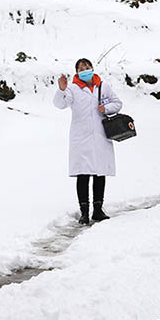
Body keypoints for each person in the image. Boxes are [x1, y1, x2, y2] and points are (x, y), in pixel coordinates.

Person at [53, 58, 123, 225]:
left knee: (100, 173)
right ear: (76, 71)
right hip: (81, 137)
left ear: (92, 68)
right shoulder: (72, 88)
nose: (85, 69)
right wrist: (61, 89)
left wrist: (106, 108)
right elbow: (60, 104)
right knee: (83, 174)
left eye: (87, 66)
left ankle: (98, 210)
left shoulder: (103, 86)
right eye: (81, 67)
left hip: (100, 135)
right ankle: (84, 212)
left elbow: (118, 103)